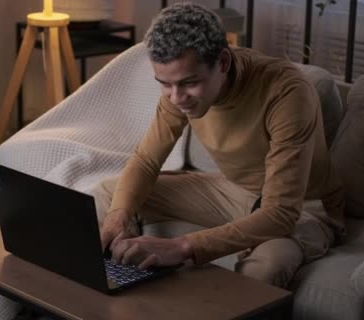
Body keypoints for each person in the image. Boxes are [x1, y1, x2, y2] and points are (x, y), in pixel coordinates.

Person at [93, 2, 345, 288]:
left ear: (223, 63)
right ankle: (119, 291)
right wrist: (118, 217)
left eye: (188, 83)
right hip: (236, 192)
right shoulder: (180, 90)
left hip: (304, 208)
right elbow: (147, 161)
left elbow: (280, 213)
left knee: (266, 267)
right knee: (112, 196)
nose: (176, 98)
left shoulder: (286, 92)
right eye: (164, 84)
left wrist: (182, 247)